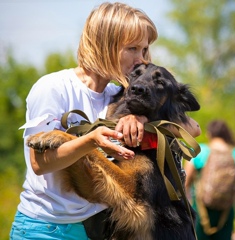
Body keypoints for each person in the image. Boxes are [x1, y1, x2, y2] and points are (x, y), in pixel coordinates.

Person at [10, 2, 201, 239]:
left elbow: (193, 128)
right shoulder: (53, 88)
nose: (141, 60)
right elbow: (40, 164)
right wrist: (88, 141)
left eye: (144, 50)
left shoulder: (116, 95)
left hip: (92, 230)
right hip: (45, 228)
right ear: (105, 44)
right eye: (132, 48)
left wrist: (139, 117)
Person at [185, 120, 235, 240]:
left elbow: (185, 182)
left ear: (210, 134)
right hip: (226, 212)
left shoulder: (201, 151)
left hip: (201, 209)